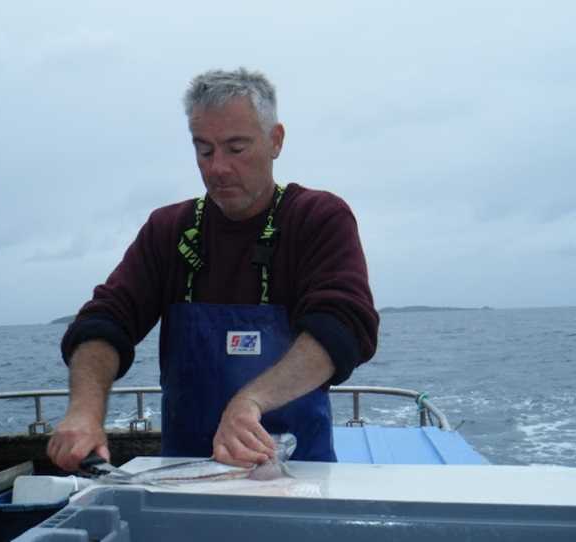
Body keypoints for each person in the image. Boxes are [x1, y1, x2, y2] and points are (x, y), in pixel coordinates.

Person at [48, 68, 379, 470]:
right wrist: (85, 409)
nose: (217, 167)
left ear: (275, 141)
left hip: (300, 476)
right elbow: (105, 320)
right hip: (186, 478)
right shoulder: (168, 230)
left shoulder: (317, 218)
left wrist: (250, 401)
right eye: (204, 150)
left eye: (236, 148)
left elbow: (342, 327)